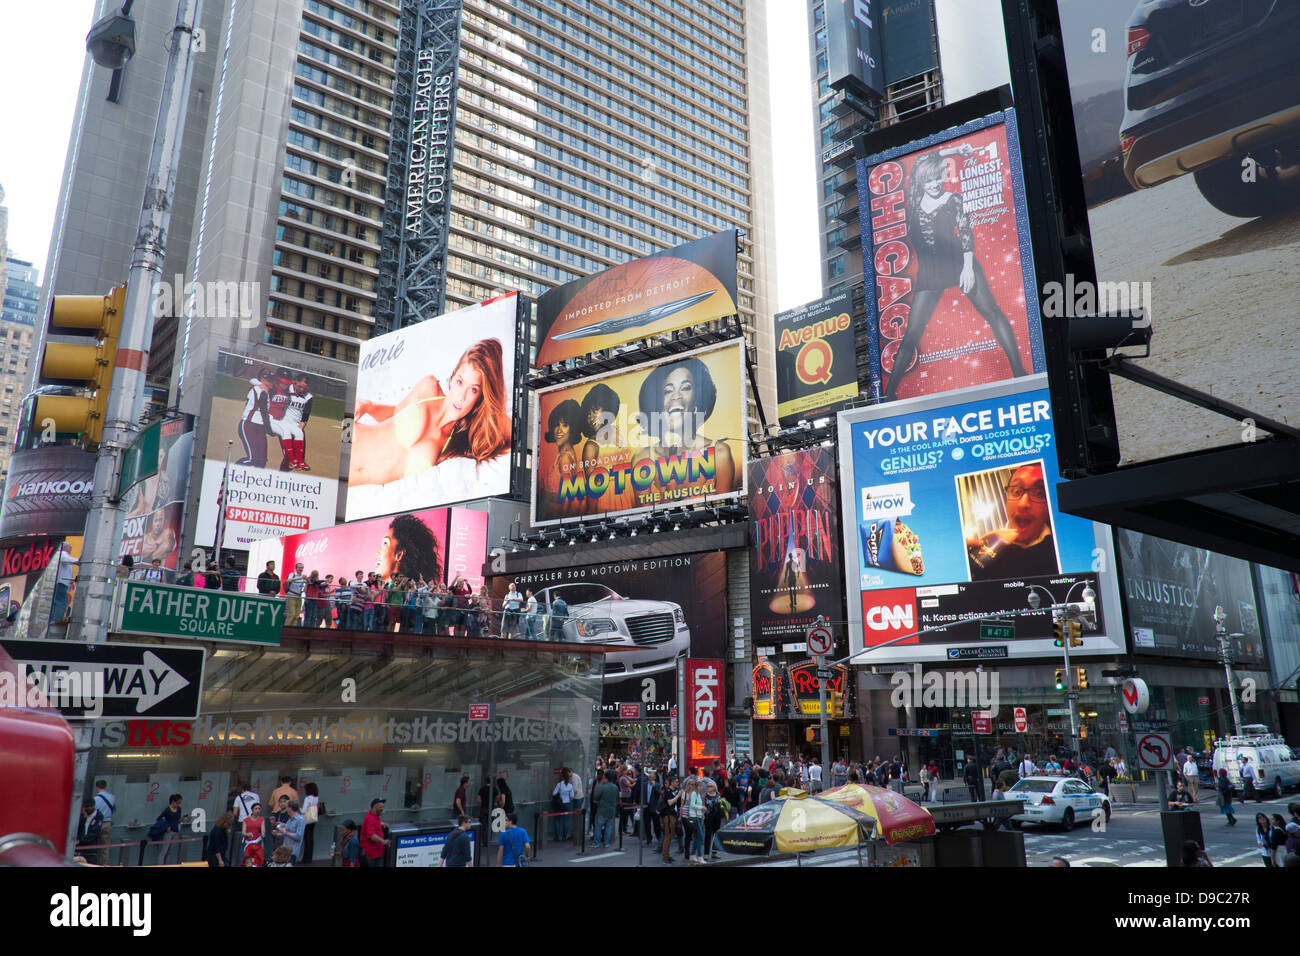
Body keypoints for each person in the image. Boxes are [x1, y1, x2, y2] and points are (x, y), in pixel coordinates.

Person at [882, 144, 1028, 402]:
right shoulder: (914, 200)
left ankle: (1019, 372)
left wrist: (969, 267)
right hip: (930, 273)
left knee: (993, 313)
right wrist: (956, 150)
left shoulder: (952, 200)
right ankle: (888, 394)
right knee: (911, 334)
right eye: (930, 178)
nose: (935, 183)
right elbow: (919, 164)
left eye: (939, 177)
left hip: (959, 264)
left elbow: (966, 234)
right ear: (923, 180)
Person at [350, 338, 511, 489]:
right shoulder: (429, 388)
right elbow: (396, 413)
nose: (461, 397)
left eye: (473, 389)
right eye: (460, 382)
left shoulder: (459, 440)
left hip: (347, 483)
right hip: (347, 440)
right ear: (453, 376)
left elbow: (516, 433)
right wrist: (369, 406)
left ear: (481, 397)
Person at [632, 356, 736, 495]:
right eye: (668, 390)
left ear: (697, 400)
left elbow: (724, 506)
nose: (676, 396)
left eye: (685, 388)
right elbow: (643, 513)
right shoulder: (642, 459)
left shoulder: (719, 453)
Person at [967, 463, 1059, 580]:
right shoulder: (986, 542)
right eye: (1016, 491)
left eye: (1039, 493)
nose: (1023, 504)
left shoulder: (1058, 552)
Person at [49, 543, 78, 624]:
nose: (71, 549)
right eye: (70, 547)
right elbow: (67, 560)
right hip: (61, 583)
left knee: (56, 601)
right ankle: (56, 619)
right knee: (62, 601)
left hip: (61, 583)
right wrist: (79, 561)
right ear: (65, 547)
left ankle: (53, 618)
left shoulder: (61, 555)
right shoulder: (62, 554)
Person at [151, 793, 184, 864]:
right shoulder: (167, 810)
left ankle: (167, 865)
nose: (178, 805)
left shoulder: (179, 809)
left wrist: (182, 818)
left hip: (176, 831)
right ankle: (160, 865)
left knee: (170, 851)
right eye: (177, 803)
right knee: (164, 851)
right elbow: (159, 819)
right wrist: (166, 826)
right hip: (168, 832)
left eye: (179, 803)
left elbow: (177, 820)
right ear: (173, 802)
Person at [680, 777, 706, 864]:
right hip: (692, 816)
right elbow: (692, 805)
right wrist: (701, 807)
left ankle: (693, 854)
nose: (701, 788)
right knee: (699, 836)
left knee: (697, 836)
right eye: (699, 786)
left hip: (697, 816)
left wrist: (702, 813)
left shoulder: (698, 795)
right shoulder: (693, 794)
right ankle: (699, 856)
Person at [592, 770, 619, 849]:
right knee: (608, 827)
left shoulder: (602, 787)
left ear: (606, 778)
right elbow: (617, 797)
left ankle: (596, 843)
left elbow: (595, 797)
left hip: (602, 809)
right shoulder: (615, 787)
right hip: (611, 809)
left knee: (598, 827)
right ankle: (606, 843)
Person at [93, 780, 116, 866]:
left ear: (97, 787)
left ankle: (93, 864)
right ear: (105, 786)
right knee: (105, 847)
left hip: (96, 824)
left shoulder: (95, 799)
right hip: (107, 823)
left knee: (93, 845)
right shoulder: (112, 797)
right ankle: (104, 864)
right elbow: (114, 809)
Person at [659, 774, 681, 864]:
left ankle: (667, 855)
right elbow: (670, 802)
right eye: (675, 781)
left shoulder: (675, 791)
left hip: (673, 815)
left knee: (670, 836)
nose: (677, 783)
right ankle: (665, 857)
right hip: (668, 816)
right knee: (668, 836)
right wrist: (678, 796)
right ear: (671, 782)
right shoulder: (668, 791)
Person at [362, 798, 390, 866]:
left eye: (383, 807)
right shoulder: (370, 818)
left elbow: (376, 823)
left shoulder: (375, 817)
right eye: (380, 807)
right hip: (371, 855)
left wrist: (382, 823)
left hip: (378, 853)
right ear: (374, 807)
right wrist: (383, 841)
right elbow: (371, 836)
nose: (382, 809)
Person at [300, 781, 323, 863]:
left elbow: (303, 811)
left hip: (307, 820)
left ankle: (305, 859)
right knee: (311, 839)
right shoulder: (316, 798)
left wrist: (298, 808)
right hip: (313, 819)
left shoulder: (308, 798)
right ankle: (309, 858)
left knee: (306, 839)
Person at [552, 769, 575, 841]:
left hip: (559, 804)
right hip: (567, 803)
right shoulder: (570, 786)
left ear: (562, 776)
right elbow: (572, 796)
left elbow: (554, 793)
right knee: (566, 820)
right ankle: (564, 836)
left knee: (557, 820)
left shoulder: (559, 784)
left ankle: (557, 836)